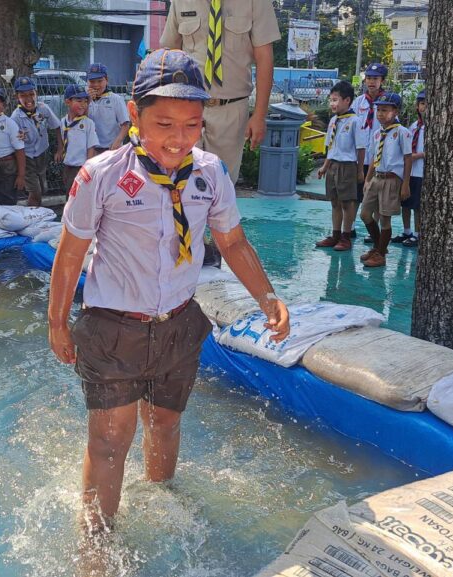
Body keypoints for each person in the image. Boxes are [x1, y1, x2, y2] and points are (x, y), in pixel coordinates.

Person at [48, 48, 290, 534]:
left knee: (164, 423)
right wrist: (57, 322)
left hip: (178, 323)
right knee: (110, 442)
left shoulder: (210, 173)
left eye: (192, 125)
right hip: (114, 328)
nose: (179, 139)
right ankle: (96, 546)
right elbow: (71, 252)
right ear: (134, 115)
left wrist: (268, 297)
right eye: (164, 125)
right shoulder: (102, 175)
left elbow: (232, 241)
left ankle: (162, 508)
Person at [160, 0, 280, 183]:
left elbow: (264, 57)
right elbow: (169, 53)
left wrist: (259, 115)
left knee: (223, 184)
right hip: (187, 108)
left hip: (231, 111)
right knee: (180, 182)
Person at [360, 92, 412, 269]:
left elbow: (407, 158)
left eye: (385, 110)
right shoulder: (377, 133)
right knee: (365, 214)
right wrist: (368, 179)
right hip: (377, 177)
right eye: (379, 110)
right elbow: (374, 158)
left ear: (395, 111)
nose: (380, 113)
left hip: (391, 179)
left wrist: (405, 184)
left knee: (384, 218)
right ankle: (378, 247)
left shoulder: (402, 132)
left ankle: (380, 255)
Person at [315, 80, 364, 252]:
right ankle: (335, 235)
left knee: (347, 203)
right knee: (334, 202)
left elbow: (360, 148)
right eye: (331, 100)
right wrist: (325, 166)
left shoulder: (355, 121)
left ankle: (346, 236)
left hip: (347, 166)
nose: (332, 104)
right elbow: (331, 146)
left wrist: (360, 171)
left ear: (347, 100)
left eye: (335, 100)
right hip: (333, 166)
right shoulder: (333, 121)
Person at [11, 76, 63, 207]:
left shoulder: (43, 108)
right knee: (35, 191)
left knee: (42, 188)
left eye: (31, 94)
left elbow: (57, 126)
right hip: (27, 156)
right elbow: (15, 143)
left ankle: (36, 210)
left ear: (36, 93)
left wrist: (60, 149)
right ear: (17, 97)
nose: (28, 99)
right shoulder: (16, 117)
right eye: (23, 95)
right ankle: (31, 214)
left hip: (42, 152)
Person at [354, 63, 388, 244]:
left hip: (377, 158)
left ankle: (373, 230)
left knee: (374, 197)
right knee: (355, 194)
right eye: (368, 78)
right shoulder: (359, 102)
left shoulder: (387, 102)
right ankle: (349, 227)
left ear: (382, 81)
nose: (371, 82)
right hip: (359, 157)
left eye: (375, 78)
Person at [395, 90, 426, 248]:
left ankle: (417, 233)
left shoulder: (433, 127)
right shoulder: (414, 126)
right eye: (422, 104)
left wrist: (417, 155)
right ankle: (406, 231)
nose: (425, 107)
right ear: (417, 106)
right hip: (409, 171)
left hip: (421, 171)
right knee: (405, 202)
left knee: (417, 205)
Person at [56, 84, 99, 196]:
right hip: (67, 166)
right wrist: (60, 150)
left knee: (79, 196)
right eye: (79, 101)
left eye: (85, 101)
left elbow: (91, 147)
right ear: (67, 102)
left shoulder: (88, 123)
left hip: (81, 167)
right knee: (69, 194)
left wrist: (88, 168)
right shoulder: (63, 122)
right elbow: (61, 138)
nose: (83, 104)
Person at [85, 63, 130, 153]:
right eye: (92, 81)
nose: (96, 85)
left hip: (111, 149)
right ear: (87, 82)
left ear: (107, 80)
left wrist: (117, 142)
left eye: (100, 81)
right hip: (91, 150)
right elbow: (81, 121)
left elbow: (125, 125)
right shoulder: (84, 100)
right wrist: (88, 100)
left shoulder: (116, 99)